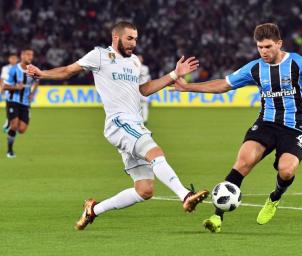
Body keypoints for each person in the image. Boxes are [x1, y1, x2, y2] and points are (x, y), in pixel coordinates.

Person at [26, 21, 209, 230]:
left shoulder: (134, 63)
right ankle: (185, 195)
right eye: (129, 38)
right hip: (119, 122)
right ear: (116, 37)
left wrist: (174, 75)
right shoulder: (100, 55)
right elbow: (68, 70)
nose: (134, 43)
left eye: (136, 39)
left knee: (145, 190)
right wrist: (43, 73)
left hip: (132, 124)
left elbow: (144, 90)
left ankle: (92, 210)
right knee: (155, 152)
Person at [174, 23, 302, 233]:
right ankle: (217, 215)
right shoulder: (255, 68)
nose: (264, 52)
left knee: (287, 170)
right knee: (243, 161)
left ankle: (275, 198)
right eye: (260, 47)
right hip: (267, 123)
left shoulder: (298, 63)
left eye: (268, 47)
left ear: (279, 44)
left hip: (298, 128)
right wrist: (188, 87)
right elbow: (224, 84)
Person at [2, 48, 38, 158]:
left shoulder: (33, 70)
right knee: (14, 125)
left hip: (25, 102)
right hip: (13, 100)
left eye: (31, 55)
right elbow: (5, 86)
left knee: (21, 130)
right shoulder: (13, 70)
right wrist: (16, 87)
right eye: (28, 54)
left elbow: (37, 81)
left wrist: (32, 92)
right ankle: (10, 150)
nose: (30, 57)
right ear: (22, 55)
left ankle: (11, 121)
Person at [1, 52, 19, 132]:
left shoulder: (20, 68)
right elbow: (2, 79)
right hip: (8, 89)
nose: (13, 60)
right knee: (9, 106)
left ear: (17, 59)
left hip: (18, 90)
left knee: (17, 106)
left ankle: (11, 122)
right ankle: (8, 121)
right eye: (12, 58)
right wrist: (2, 89)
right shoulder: (5, 68)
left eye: (15, 58)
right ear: (9, 59)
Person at [137, 54, 151, 124]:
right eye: (138, 58)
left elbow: (148, 78)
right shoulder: (144, 68)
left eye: (140, 58)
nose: (139, 59)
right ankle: (142, 119)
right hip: (137, 89)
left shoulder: (144, 68)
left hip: (142, 88)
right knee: (139, 105)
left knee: (144, 105)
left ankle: (144, 120)